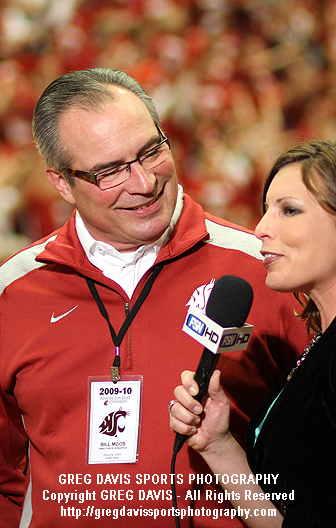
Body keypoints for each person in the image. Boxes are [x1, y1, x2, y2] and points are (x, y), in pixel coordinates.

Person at [0, 68, 309, 528]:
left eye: (150, 152)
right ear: (61, 183)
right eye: (109, 171)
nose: (143, 183)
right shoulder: (13, 292)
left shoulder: (266, 270)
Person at [170, 139, 336, 528]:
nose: (260, 229)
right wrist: (218, 444)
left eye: (289, 211)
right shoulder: (318, 346)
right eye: (265, 211)